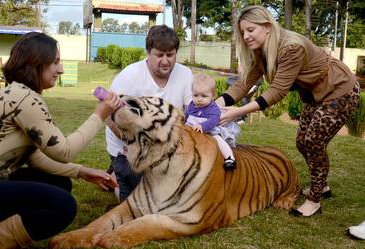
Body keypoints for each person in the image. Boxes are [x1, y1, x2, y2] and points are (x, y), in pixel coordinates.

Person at [0, 32, 120, 249]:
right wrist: (99, 115)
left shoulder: (17, 94)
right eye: (55, 62)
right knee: (62, 205)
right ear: (36, 63)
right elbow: (64, 151)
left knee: (59, 183)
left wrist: (83, 172)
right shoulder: (24, 98)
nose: (60, 70)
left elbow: (36, 158)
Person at [215, 5, 360, 217]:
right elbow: (242, 85)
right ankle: (322, 184)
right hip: (314, 94)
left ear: (266, 26)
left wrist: (235, 112)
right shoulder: (261, 52)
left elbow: (277, 92)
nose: (246, 36)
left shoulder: (291, 47)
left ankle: (315, 199)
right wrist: (213, 105)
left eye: (250, 30)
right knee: (302, 142)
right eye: (243, 32)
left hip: (339, 89)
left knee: (313, 141)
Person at [106, 25, 193, 202]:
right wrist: (136, 142)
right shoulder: (129, 76)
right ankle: (118, 174)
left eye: (170, 55)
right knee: (142, 201)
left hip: (168, 147)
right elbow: (108, 116)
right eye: (159, 55)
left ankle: (117, 175)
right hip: (130, 148)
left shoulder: (185, 74)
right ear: (148, 52)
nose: (166, 61)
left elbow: (191, 112)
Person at [185, 73, 238, 170]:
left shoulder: (213, 108)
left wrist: (202, 126)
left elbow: (214, 120)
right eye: (195, 95)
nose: (199, 99)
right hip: (191, 128)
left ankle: (230, 158)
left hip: (209, 130)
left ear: (213, 96)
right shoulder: (192, 105)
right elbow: (187, 115)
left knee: (218, 140)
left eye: (204, 96)